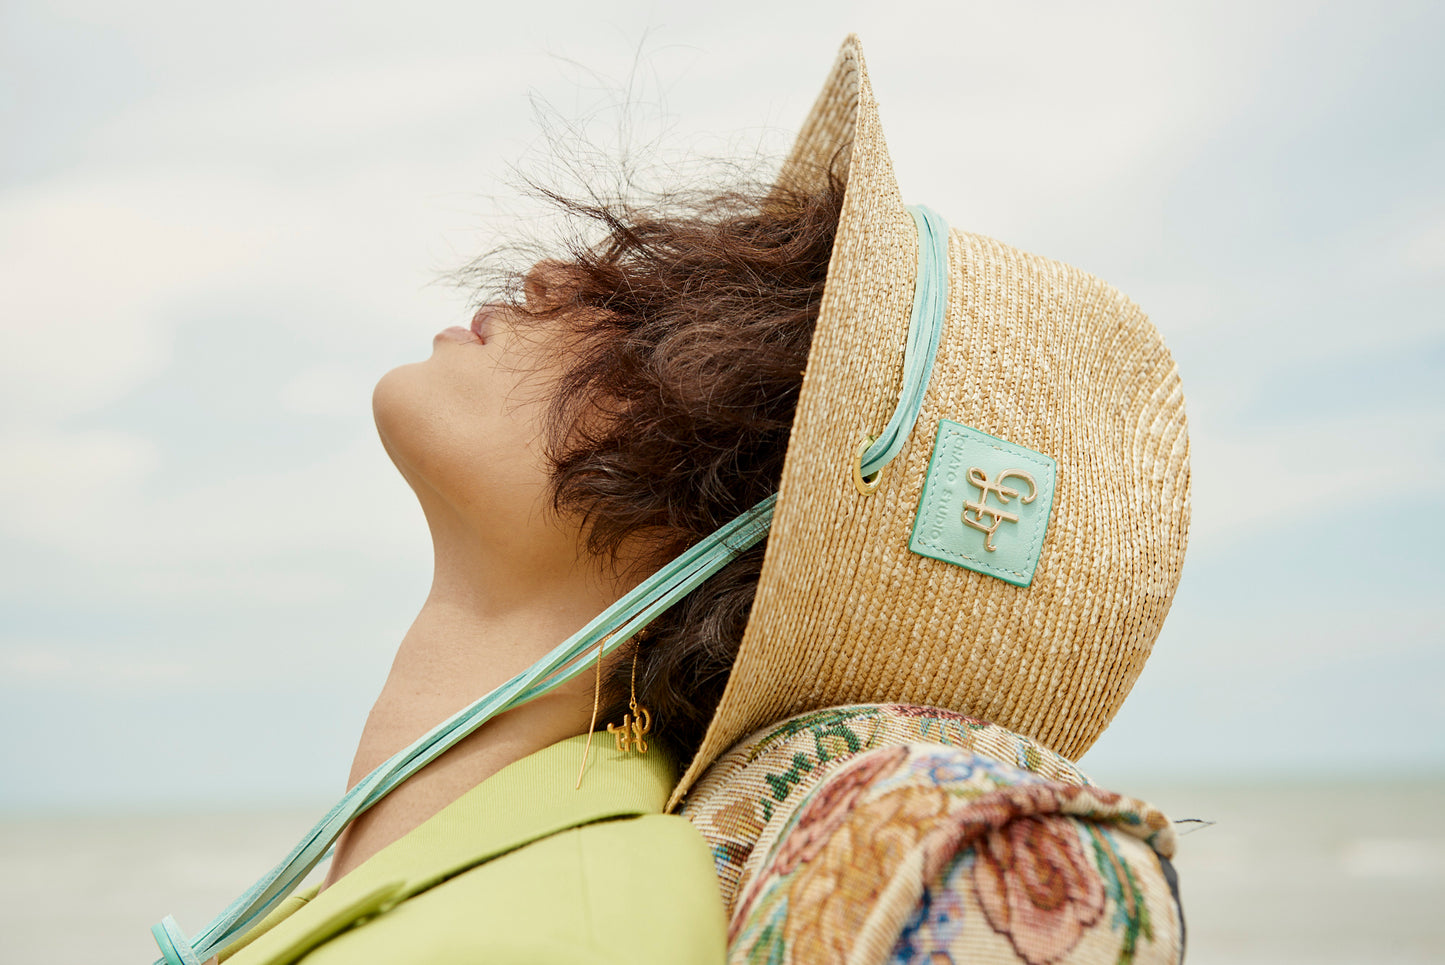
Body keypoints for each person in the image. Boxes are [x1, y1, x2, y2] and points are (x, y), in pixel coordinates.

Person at [154, 34, 1190, 965]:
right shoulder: (479, 884)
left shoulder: (557, 933)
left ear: (721, 503)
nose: (553, 274)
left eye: (635, 309)